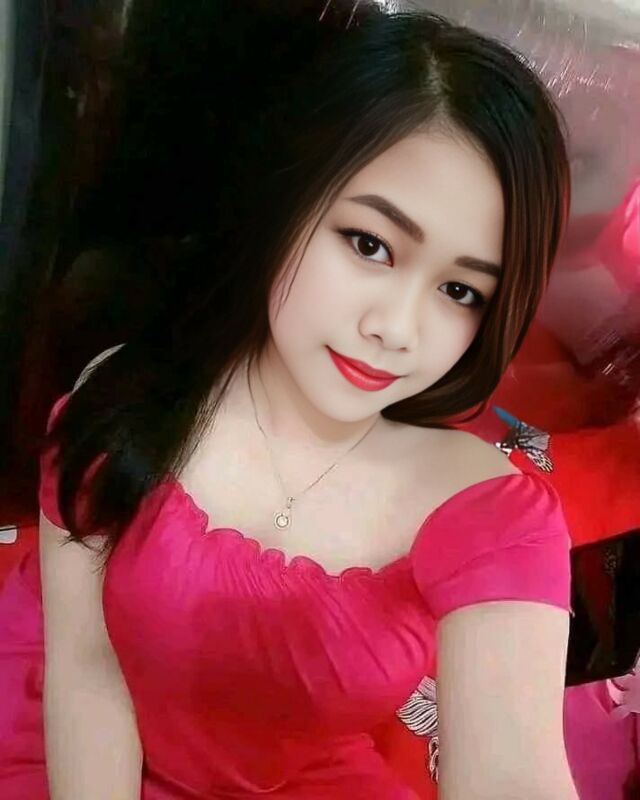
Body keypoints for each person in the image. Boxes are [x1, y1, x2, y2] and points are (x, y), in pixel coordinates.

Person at [0, 4, 578, 799]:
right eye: (370, 244)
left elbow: (513, 774)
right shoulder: (128, 399)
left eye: (460, 290)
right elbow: (89, 668)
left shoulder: (490, 514)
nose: (396, 329)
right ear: (288, 199)